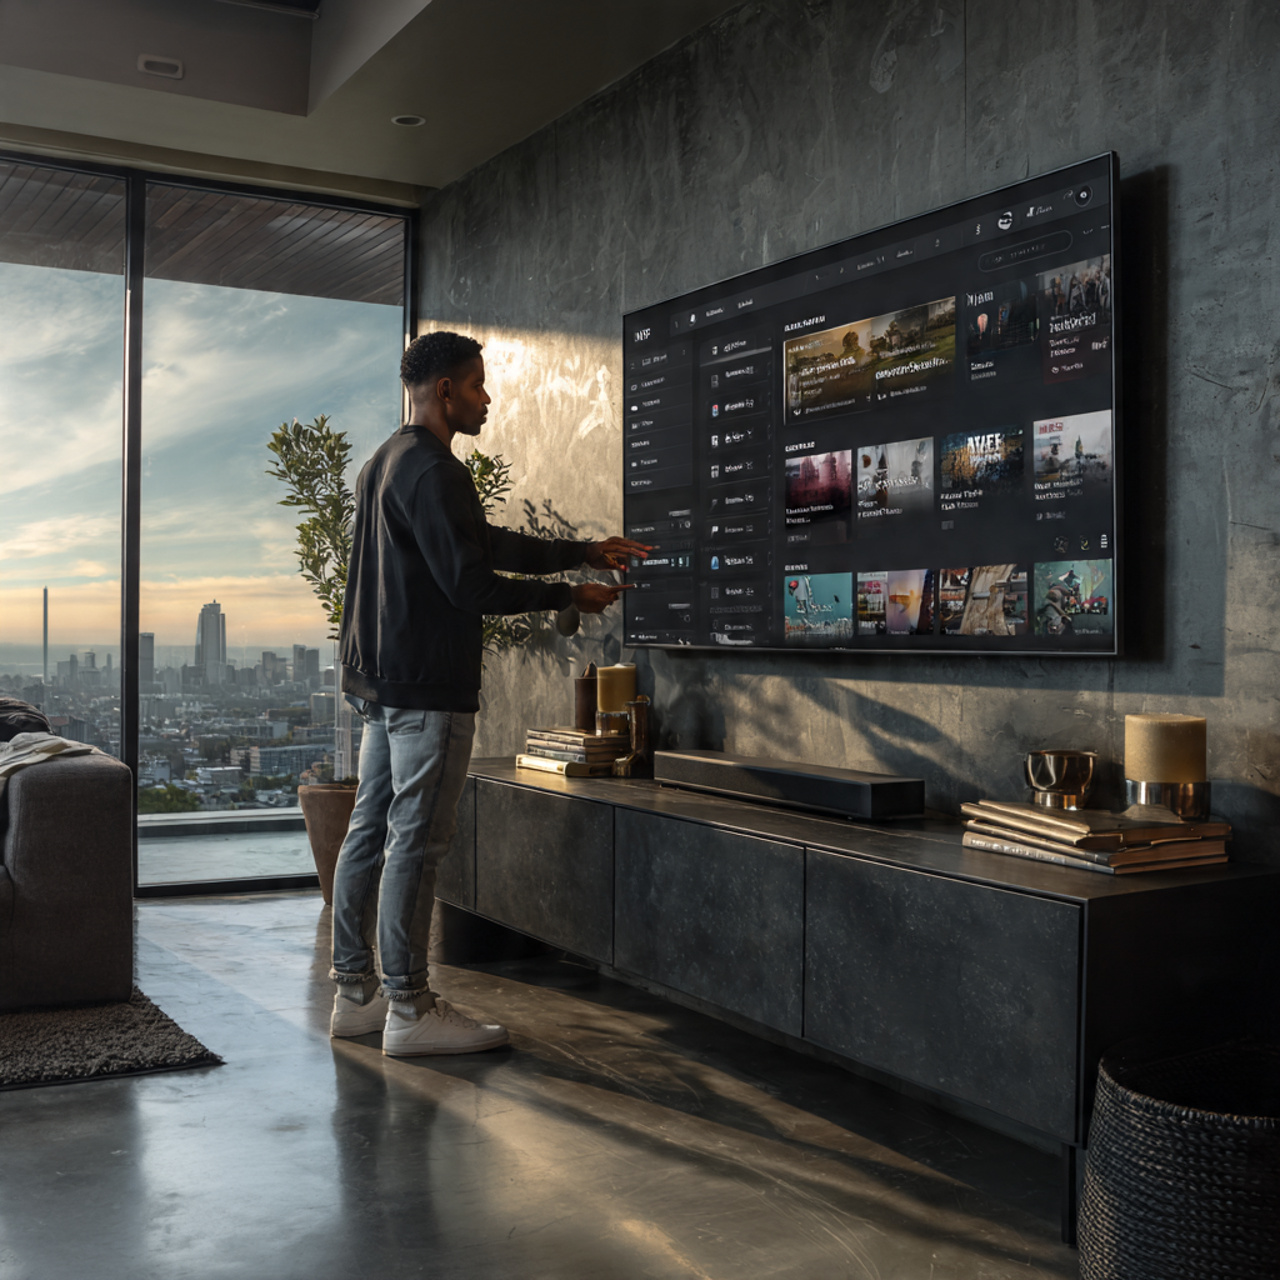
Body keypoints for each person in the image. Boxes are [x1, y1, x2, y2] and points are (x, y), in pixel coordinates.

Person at [329, 330, 649, 1056]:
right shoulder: (437, 471)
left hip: (378, 684)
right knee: (417, 843)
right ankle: (409, 1008)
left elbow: (480, 539)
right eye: (476, 384)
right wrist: (571, 592)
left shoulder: (384, 462)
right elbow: (471, 583)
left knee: (369, 834)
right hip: (427, 689)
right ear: (444, 391)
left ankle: (356, 995)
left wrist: (581, 548)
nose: (487, 397)